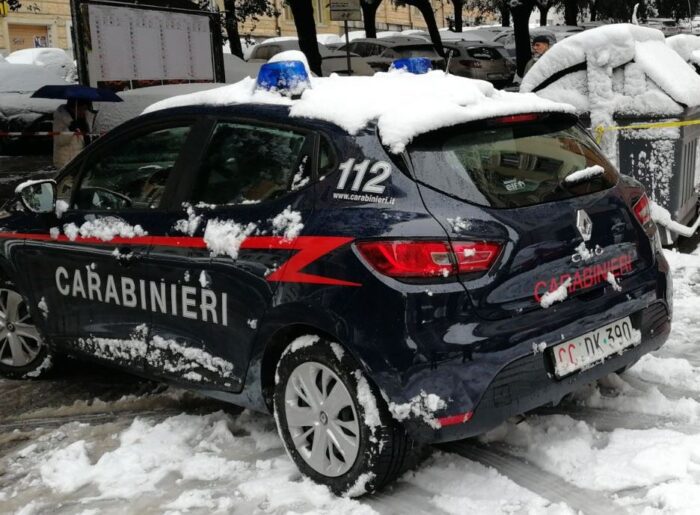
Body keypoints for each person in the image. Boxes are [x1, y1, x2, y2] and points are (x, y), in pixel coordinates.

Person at [53, 98, 95, 169]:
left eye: (85, 109)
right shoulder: (61, 119)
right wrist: (70, 130)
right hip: (66, 163)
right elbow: (59, 140)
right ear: (73, 108)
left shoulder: (84, 120)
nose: (83, 112)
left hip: (81, 161)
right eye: (81, 109)